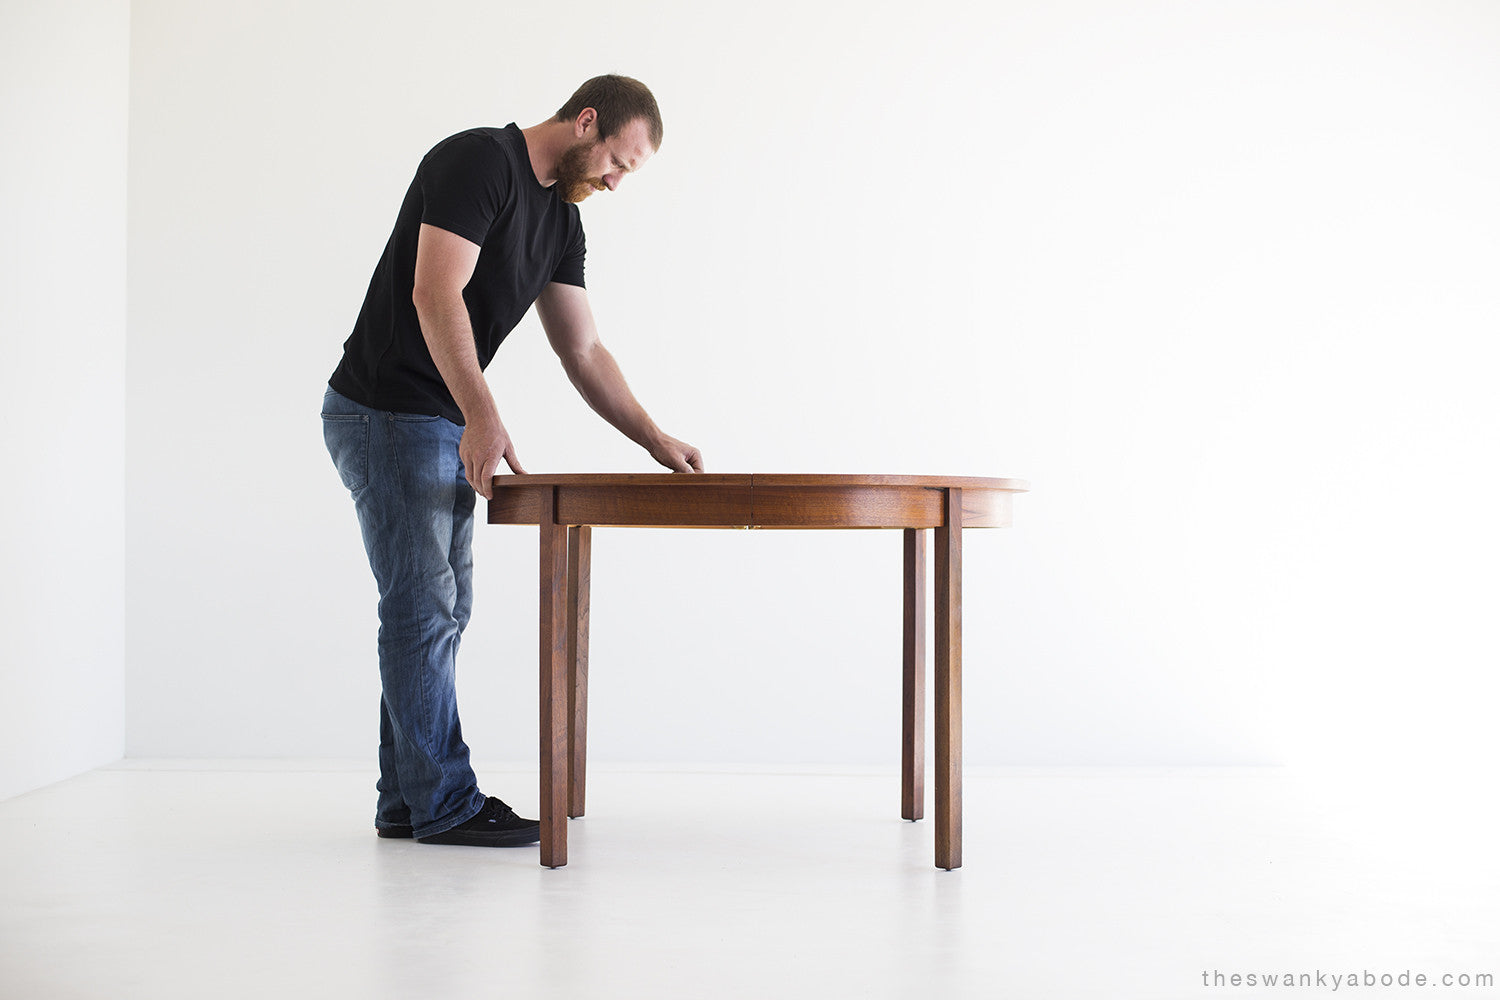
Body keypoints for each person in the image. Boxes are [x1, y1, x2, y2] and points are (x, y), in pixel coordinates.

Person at [321, 75, 702, 847]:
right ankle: (446, 805)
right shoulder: (477, 163)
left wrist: (655, 438)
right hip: (384, 411)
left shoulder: (563, 221)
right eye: (617, 163)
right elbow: (436, 292)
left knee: (439, 609)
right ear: (586, 121)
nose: (615, 183)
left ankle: (405, 798)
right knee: (424, 607)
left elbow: (583, 348)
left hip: (435, 417)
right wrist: (484, 415)